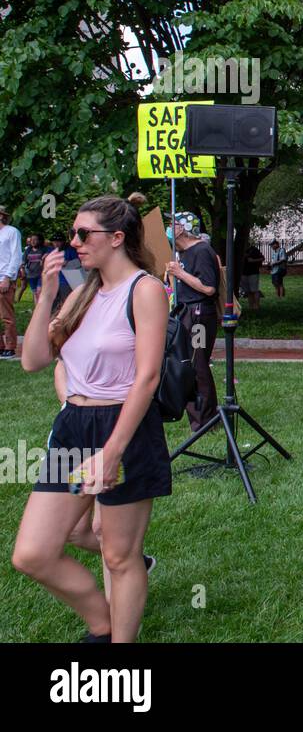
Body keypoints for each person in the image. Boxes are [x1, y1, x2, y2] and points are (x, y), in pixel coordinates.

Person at [14, 195, 170, 642]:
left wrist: (111, 453)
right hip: (73, 429)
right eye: (74, 234)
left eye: (85, 234)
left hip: (123, 428)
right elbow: (34, 360)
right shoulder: (83, 292)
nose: (75, 242)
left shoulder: (144, 290)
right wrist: (46, 296)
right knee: (34, 552)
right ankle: (103, 623)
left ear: (117, 238)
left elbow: (147, 378)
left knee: (119, 555)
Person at [165, 212, 218, 433]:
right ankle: (200, 416)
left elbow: (209, 287)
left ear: (183, 228)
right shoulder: (181, 253)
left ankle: (204, 420)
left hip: (199, 314)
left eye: (172, 223)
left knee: (197, 364)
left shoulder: (202, 250)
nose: (168, 227)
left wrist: (180, 273)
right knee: (190, 363)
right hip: (185, 311)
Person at [0, 204, 21, 359]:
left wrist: (8, 277)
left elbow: (16, 255)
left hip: (4, 278)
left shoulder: (11, 232)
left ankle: (10, 346)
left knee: (6, 315)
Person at [21, 233, 51, 304]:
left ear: (40, 241)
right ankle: (37, 309)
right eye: (31, 240)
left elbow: (53, 251)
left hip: (41, 275)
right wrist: (22, 271)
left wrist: (45, 256)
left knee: (40, 291)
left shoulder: (44, 249)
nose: (33, 241)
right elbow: (23, 262)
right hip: (31, 275)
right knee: (35, 293)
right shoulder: (28, 250)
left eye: (35, 240)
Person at [240, 241, 264, 310]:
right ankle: (251, 306)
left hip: (253, 273)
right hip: (243, 273)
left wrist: (253, 260)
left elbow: (262, 258)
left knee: (254, 290)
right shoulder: (240, 250)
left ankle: (256, 306)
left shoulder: (254, 249)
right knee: (248, 291)